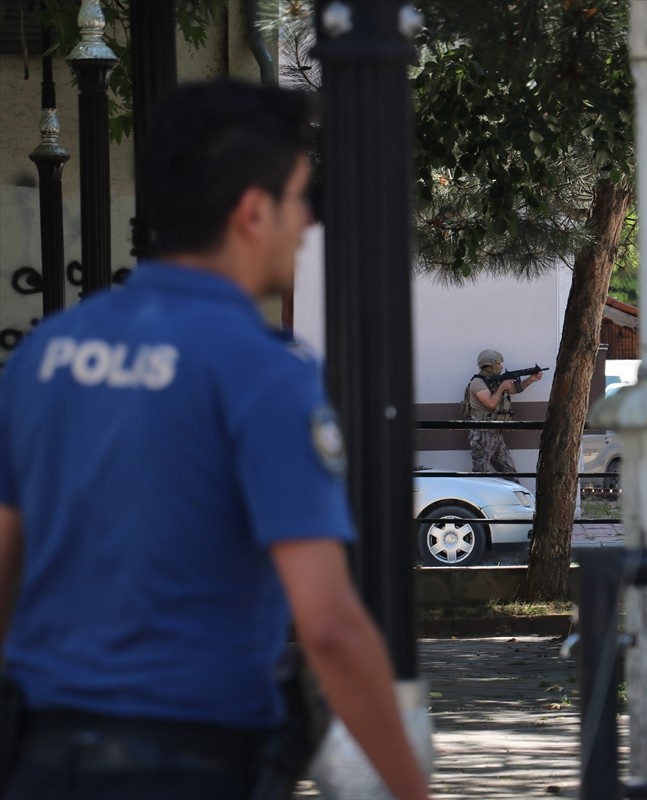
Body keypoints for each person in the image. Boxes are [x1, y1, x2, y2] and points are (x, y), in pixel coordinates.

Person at [0, 80, 429, 800]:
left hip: (41, 757)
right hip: (189, 762)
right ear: (253, 212)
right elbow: (326, 626)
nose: (309, 224)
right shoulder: (263, 371)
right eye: (301, 199)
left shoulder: (47, 351)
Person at [462, 349, 542, 474]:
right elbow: (491, 404)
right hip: (482, 433)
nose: (501, 366)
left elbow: (515, 389)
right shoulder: (478, 383)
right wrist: (502, 387)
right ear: (489, 365)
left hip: (496, 433)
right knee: (481, 473)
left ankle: (515, 492)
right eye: (498, 364)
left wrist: (531, 379)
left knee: (509, 471)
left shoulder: (496, 380)